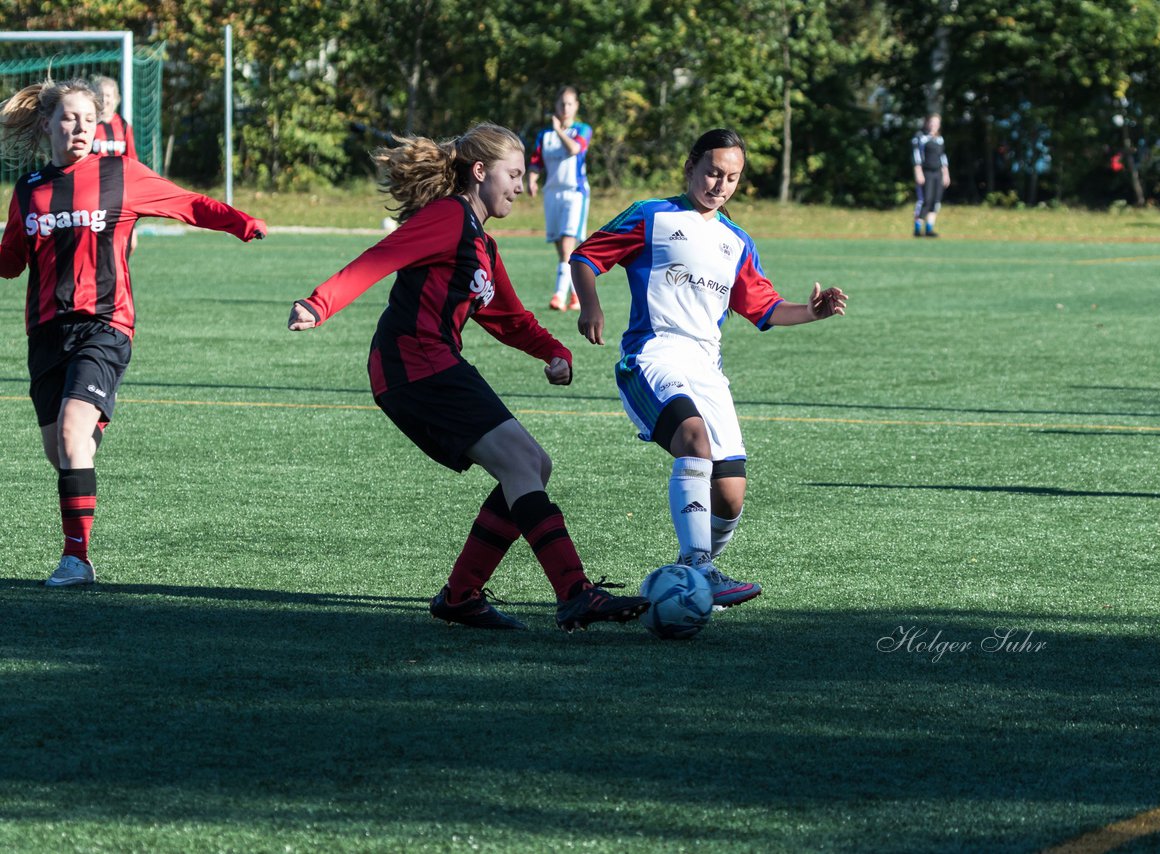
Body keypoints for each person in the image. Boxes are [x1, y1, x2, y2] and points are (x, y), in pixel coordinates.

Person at [287, 122, 648, 633]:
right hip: (412, 365)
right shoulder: (447, 217)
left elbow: (508, 317)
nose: (521, 186)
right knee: (524, 462)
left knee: (533, 465)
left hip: (432, 365)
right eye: (514, 174)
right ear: (480, 172)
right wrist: (318, 304)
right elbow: (380, 259)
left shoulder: (481, 243)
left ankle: (460, 597)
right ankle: (574, 593)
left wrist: (551, 350)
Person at [0, 77, 266, 587]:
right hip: (46, 333)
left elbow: (187, 202)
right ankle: (92, 422)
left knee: (74, 438)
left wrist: (239, 221)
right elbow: (12, 262)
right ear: (47, 125)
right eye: (68, 118)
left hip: (105, 324)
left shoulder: (120, 173)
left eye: (87, 119)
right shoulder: (29, 189)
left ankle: (76, 559)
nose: (79, 127)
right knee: (61, 451)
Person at [570, 128, 848, 609]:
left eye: (732, 178)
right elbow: (586, 257)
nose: (720, 185)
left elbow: (763, 306)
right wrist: (589, 305)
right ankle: (698, 565)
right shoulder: (651, 215)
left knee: (732, 493)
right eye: (713, 172)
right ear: (691, 168)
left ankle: (694, 580)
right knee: (693, 439)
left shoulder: (735, 241)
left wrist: (811, 311)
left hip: (707, 368)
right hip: (653, 356)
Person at [528, 86, 592, 311]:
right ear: (555, 106)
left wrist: (560, 131)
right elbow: (536, 162)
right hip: (552, 193)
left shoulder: (582, 130)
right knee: (561, 249)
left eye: (569, 104)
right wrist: (532, 180)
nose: (565, 108)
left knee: (567, 245)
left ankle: (558, 295)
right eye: (561, 104)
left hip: (574, 193)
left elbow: (575, 149)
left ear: (576, 107)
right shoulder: (544, 135)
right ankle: (576, 296)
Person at [912, 114, 950, 238]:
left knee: (936, 201)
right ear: (927, 123)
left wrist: (946, 173)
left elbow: (943, 157)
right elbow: (916, 155)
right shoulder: (920, 137)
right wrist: (918, 171)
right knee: (926, 200)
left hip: (938, 173)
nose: (934, 125)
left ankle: (929, 228)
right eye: (932, 122)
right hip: (926, 172)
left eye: (936, 123)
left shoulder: (940, 139)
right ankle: (918, 228)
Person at [90, 76, 135, 159]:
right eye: (100, 94)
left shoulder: (123, 125)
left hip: (118, 171)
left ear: (115, 99)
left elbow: (131, 156)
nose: (103, 99)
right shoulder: (89, 123)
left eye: (108, 95)